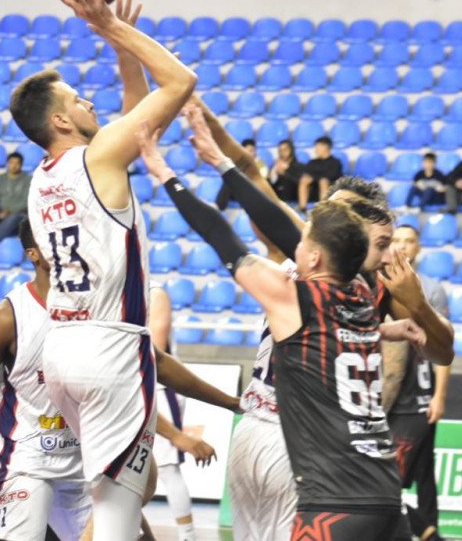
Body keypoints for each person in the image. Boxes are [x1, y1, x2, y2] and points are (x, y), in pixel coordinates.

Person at [13, 0, 239, 541]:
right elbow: (181, 83)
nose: (88, 101)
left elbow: (138, 127)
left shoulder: (43, 177)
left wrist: (123, 57)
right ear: (62, 123)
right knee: (118, 516)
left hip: (61, 349)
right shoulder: (98, 157)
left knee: (124, 493)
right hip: (110, 346)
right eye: (76, 100)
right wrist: (111, 25)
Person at [137, 121, 430, 541]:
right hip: (345, 462)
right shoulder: (365, 297)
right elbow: (276, 221)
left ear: (313, 255)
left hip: (285, 442)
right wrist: (221, 162)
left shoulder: (290, 292)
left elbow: (221, 231)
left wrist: (166, 172)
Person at [0, 222, 89, 541]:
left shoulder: (95, 307)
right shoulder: (8, 318)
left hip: (86, 463)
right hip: (28, 462)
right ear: (33, 254)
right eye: (56, 241)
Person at [384, 225, 451, 541]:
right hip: (389, 396)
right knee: (393, 480)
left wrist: (439, 395)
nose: (403, 246)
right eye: (396, 240)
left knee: (416, 477)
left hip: (419, 398)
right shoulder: (374, 280)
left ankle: (428, 533)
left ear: (418, 247)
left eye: (409, 241)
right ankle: (429, 534)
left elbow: (444, 344)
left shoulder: (431, 289)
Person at [148, 287, 217, 541]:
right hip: (128, 388)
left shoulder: (154, 292)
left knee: (167, 467)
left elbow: (155, 348)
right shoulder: (113, 291)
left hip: (159, 386)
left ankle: (187, 536)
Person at [216, 138, 267, 210]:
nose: (250, 153)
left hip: (253, 191)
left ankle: (218, 207)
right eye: (248, 151)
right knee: (228, 180)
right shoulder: (239, 162)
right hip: (240, 190)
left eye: (252, 151)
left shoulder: (260, 163)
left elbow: (262, 180)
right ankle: (218, 207)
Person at [298, 136, 343, 211]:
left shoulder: (335, 162)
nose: (316, 149)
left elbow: (331, 176)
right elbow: (307, 174)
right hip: (314, 190)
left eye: (318, 147)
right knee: (304, 180)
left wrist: (315, 177)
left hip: (330, 189)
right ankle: (302, 208)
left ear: (325, 147)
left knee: (323, 181)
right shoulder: (312, 162)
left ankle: (323, 209)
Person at [268, 139, 306, 204]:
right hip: (277, 196)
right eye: (280, 150)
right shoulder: (275, 165)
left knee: (287, 184)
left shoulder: (298, 166)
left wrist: (284, 173)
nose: (282, 152)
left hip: (292, 195)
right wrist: (272, 172)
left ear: (291, 150)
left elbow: (298, 183)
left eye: (285, 150)